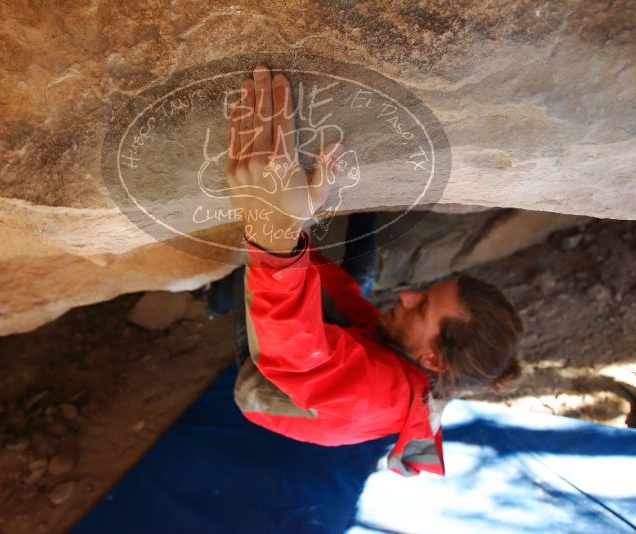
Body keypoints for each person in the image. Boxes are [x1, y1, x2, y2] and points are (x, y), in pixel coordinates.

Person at [221, 64, 523, 477]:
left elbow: (298, 357)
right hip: (338, 357)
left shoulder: (371, 394)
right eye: (423, 293)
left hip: (265, 384)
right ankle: (337, 224)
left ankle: (218, 293)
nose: (406, 296)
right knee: (353, 276)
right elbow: (355, 313)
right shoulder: (410, 361)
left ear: (432, 359)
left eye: (422, 310)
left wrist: (270, 231)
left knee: (253, 272)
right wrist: (295, 234)